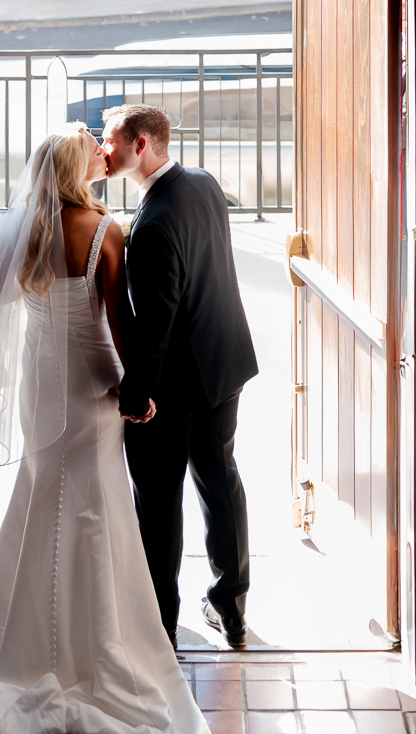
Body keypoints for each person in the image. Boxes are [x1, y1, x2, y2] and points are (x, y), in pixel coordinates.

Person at [0, 122, 208, 734]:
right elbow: (121, 321)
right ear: (76, 172)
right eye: (91, 152)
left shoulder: (23, 228)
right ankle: (97, 641)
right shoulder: (105, 231)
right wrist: (137, 394)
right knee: (96, 506)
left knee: (38, 496)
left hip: (39, 382)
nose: (99, 156)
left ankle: (21, 644)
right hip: (91, 385)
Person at [101, 104, 258, 650]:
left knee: (159, 503)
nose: (105, 148)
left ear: (140, 145)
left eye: (111, 139)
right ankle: (231, 610)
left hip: (173, 390)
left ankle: (159, 628)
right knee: (221, 483)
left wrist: (136, 392)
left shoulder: (151, 225)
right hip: (225, 364)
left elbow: (157, 323)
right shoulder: (204, 183)